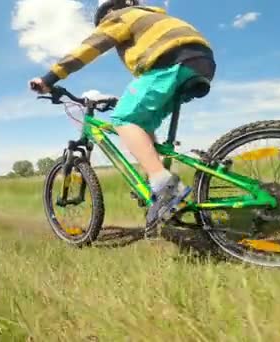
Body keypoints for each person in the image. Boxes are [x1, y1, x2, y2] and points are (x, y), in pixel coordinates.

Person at [30, 0, 216, 232]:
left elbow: (88, 49)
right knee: (142, 126)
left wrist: (49, 79)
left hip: (170, 60)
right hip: (201, 61)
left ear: (108, 10)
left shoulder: (119, 16)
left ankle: (165, 186)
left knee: (122, 119)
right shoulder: (150, 14)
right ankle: (159, 195)